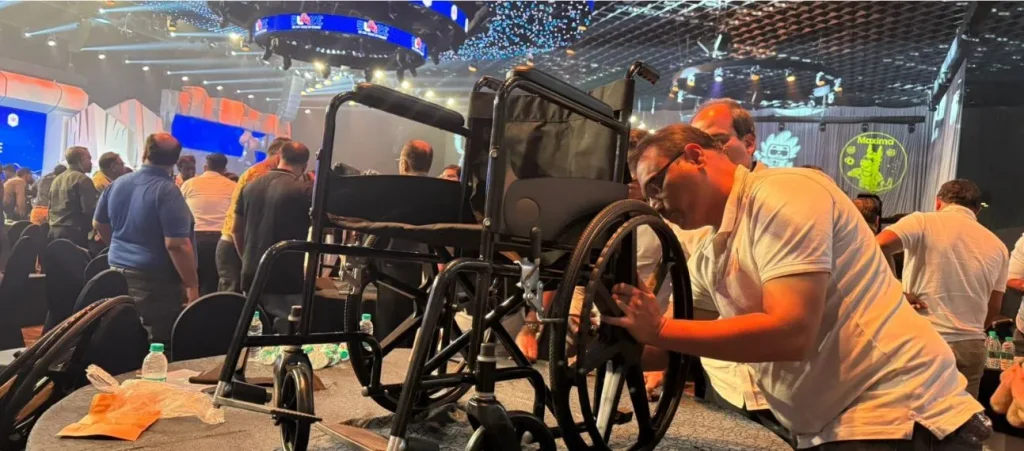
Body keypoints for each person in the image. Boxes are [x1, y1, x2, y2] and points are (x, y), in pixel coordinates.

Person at [609, 124, 988, 449]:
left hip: (900, 415)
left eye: (657, 184)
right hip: (845, 426)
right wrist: (612, 333)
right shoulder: (712, 253)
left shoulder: (782, 194)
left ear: (695, 155)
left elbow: (792, 332)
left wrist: (659, 328)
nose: (655, 204)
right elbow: (671, 348)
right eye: (647, 194)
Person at [877, 180, 1008, 398]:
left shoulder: (922, 221)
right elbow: (994, 307)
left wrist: (896, 290)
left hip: (924, 339)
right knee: (962, 424)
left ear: (938, 202)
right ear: (976, 210)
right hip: (971, 345)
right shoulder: (998, 246)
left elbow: (878, 244)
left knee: (914, 420)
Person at [94, 133, 199, 347]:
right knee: (158, 344)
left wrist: (116, 246)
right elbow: (176, 245)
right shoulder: (168, 191)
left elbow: (99, 224)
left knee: (124, 339)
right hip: (154, 282)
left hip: (116, 270)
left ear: (144, 153)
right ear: (175, 161)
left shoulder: (117, 184)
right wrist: (192, 286)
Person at [233, 141, 312, 330]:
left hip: (252, 274)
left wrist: (247, 258)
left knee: (253, 336)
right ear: (305, 165)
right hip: (286, 278)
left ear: (279, 157)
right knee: (286, 339)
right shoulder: (304, 190)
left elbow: (236, 229)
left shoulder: (250, 187)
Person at [218, 137, 291, 293]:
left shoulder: (258, 172)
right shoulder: (261, 176)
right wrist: (247, 258)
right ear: (279, 155)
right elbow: (242, 225)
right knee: (231, 305)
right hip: (237, 245)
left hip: (236, 243)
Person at [180, 153, 236, 295]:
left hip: (194, 239)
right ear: (224, 170)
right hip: (221, 240)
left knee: (194, 284)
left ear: (205, 167)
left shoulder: (189, 184)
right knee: (215, 285)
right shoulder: (233, 186)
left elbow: (180, 212)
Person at [49, 147, 99, 248]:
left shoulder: (56, 179)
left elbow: (50, 206)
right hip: (74, 234)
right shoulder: (83, 179)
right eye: (89, 159)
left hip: (53, 232)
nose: (91, 163)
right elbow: (89, 210)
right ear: (82, 159)